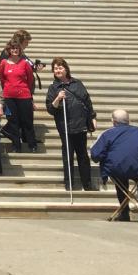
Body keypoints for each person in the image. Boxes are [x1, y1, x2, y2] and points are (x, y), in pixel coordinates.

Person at [91, 110, 138, 222]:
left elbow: (95, 155)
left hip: (117, 168)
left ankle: (124, 213)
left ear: (113, 121)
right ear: (128, 120)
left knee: (120, 178)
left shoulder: (107, 134)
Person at [46, 57, 97, 192]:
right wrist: (58, 98)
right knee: (68, 156)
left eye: (60, 68)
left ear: (66, 69)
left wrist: (92, 117)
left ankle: (87, 183)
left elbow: (87, 101)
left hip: (80, 125)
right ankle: (69, 183)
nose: (58, 70)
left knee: (83, 155)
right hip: (65, 126)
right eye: (55, 68)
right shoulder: (53, 88)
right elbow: (50, 109)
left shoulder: (77, 83)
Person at [0, 36, 38, 152]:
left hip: (24, 95)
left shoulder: (24, 63)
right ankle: (16, 145)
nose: (15, 50)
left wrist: (27, 91)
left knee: (27, 120)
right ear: (9, 50)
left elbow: (30, 79)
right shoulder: (4, 63)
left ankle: (32, 144)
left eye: (17, 48)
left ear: (20, 50)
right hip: (9, 96)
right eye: (13, 48)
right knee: (13, 121)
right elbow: (2, 79)